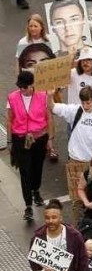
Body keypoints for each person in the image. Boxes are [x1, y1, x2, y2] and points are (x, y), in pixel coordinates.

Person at [8, 71, 50, 216]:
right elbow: (10, 120)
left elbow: (48, 117)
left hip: (39, 137)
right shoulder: (12, 98)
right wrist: (10, 141)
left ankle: (36, 190)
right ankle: (28, 205)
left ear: (32, 85)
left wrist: (50, 139)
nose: (22, 90)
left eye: (25, 87)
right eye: (20, 87)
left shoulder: (43, 95)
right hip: (20, 138)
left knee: (37, 167)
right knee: (25, 171)